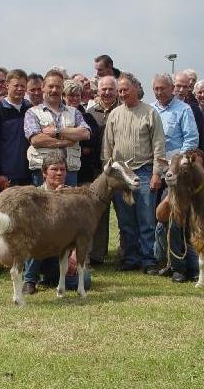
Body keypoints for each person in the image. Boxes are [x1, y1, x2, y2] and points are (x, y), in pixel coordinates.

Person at [102, 72, 166, 273]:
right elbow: (107, 147)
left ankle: (149, 260)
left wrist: (157, 173)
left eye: (125, 90)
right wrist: (109, 175)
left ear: (136, 89)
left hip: (145, 172)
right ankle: (130, 258)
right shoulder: (114, 115)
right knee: (126, 220)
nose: (121, 94)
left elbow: (159, 146)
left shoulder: (150, 112)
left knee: (146, 219)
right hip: (121, 175)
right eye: (119, 90)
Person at [150, 73, 199, 280]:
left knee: (177, 219)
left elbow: (191, 139)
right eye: (156, 89)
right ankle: (167, 261)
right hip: (153, 172)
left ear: (172, 89)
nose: (159, 92)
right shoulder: (150, 109)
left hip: (175, 174)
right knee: (159, 220)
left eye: (163, 88)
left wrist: (174, 163)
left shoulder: (184, 110)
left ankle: (181, 266)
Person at [22, 153, 93, 295]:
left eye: (63, 169)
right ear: (44, 173)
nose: (59, 173)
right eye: (54, 169)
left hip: (61, 253)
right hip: (38, 251)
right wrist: (54, 198)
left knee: (85, 281)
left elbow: (82, 230)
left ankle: (52, 278)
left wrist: (74, 255)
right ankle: (29, 280)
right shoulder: (35, 196)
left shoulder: (74, 196)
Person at [25, 72, 91, 186]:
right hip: (43, 172)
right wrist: (67, 141)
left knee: (70, 203)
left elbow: (85, 133)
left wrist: (57, 131)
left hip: (69, 171)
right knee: (43, 204)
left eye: (58, 87)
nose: (54, 90)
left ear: (62, 89)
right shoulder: (32, 112)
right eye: (51, 86)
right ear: (43, 88)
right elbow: (36, 140)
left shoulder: (74, 112)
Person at [86, 75, 120, 265]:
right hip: (97, 172)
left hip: (119, 172)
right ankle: (97, 254)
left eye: (110, 89)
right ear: (97, 91)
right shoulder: (90, 112)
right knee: (98, 214)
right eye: (103, 89)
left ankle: (124, 254)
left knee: (124, 215)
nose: (107, 93)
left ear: (116, 91)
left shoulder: (123, 109)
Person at [0, 68, 32, 192]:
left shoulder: (30, 109)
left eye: (23, 86)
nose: (20, 89)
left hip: (28, 176)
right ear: (7, 85)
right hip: (6, 179)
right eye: (16, 85)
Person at [64, 80, 101, 185]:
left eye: (77, 95)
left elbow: (93, 139)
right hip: (61, 165)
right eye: (71, 95)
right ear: (64, 96)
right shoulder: (58, 115)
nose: (75, 98)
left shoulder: (88, 117)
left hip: (84, 167)